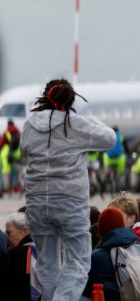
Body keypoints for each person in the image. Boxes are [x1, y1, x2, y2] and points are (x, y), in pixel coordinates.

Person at [21, 79, 116, 300]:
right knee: (79, 261)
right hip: (69, 202)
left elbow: (25, 150)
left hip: (36, 202)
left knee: (47, 263)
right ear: (72, 99)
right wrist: (90, 120)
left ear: (45, 97)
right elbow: (110, 139)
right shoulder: (77, 124)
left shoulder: (30, 124)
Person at [7, 212, 36, 300]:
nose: (7, 237)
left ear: (25, 231)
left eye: (9, 233)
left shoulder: (17, 253)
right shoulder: (43, 248)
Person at [0, 119, 21, 193]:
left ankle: (7, 188)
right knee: (15, 170)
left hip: (7, 154)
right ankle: (15, 187)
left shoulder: (6, 132)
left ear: (8, 125)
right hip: (17, 153)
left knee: (6, 171)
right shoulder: (18, 132)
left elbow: (1, 144)